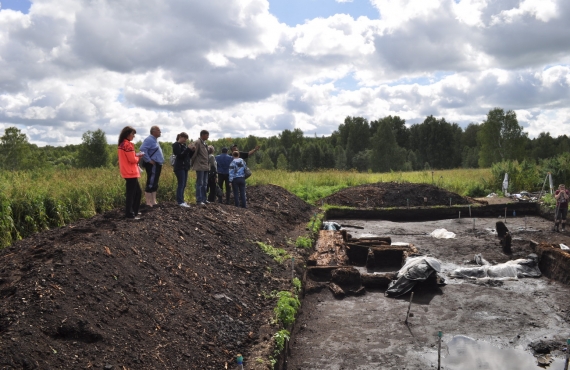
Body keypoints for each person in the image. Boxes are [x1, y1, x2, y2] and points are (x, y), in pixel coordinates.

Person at [117, 126, 145, 219]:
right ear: (128, 134)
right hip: (131, 171)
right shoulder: (128, 145)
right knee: (133, 193)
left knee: (136, 192)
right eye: (133, 134)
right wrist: (139, 156)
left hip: (126, 171)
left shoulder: (121, 144)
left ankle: (133, 211)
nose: (134, 136)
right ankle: (130, 214)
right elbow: (132, 159)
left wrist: (135, 156)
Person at [139, 126, 164, 207]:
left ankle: (153, 201)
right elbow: (142, 149)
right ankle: (148, 202)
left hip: (157, 164)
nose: (160, 132)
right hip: (152, 165)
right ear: (153, 131)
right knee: (151, 182)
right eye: (158, 130)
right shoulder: (149, 139)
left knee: (155, 182)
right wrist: (149, 160)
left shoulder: (155, 140)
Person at [172, 132, 195, 207]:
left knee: (184, 184)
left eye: (186, 139)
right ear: (180, 137)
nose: (185, 140)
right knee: (181, 184)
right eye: (184, 138)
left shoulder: (184, 146)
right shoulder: (176, 145)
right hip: (179, 167)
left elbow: (188, 156)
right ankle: (180, 201)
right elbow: (180, 155)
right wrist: (188, 149)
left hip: (185, 167)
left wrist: (192, 150)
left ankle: (182, 200)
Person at [191, 130, 210, 205]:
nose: (208, 137)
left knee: (205, 183)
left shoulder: (205, 143)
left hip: (205, 166)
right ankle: (199, 200)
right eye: (207, 135)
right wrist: (192, 164)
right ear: (202, 135)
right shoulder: (198, 142)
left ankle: (204, 199)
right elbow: (194, 154)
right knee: (200, 183)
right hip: (200, 166)